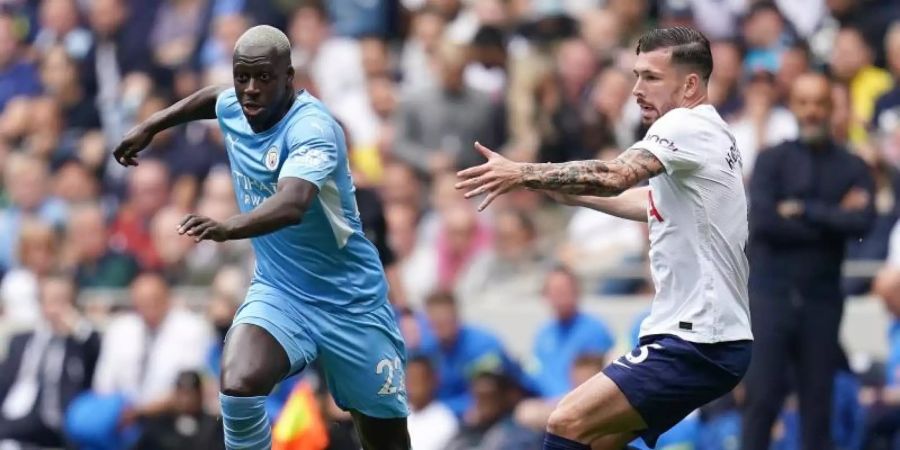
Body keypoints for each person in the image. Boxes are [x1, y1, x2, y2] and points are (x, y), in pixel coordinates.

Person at [112, 25, 410, 450]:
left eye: (264, 78)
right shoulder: (237, 101)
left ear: (289, 77)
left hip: (349, 302)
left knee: (387, 442)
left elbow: (292, 204)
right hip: (280, 291)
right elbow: (213, 98)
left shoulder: (313, 128)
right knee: (237, 384)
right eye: (242, 76)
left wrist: (228, 226)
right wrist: (152, 125)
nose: (249, 90)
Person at [455, 27, 753, 450]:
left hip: (697, 340)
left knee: (565, 421)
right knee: (595, 441)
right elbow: (651, 202)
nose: (636, 89)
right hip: (712, 340)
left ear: (689, 84)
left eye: (651, 77)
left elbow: (615, 175)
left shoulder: (686, 126)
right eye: (636, 75)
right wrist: (575, 197)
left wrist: (522, 171)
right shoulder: (708, 134)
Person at [741, 73, 875, 450]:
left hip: (822, 300)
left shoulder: (851, 165)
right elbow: (764, 222)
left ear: (832, 109)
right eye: (804, 102)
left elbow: (862, 223)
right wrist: (831, 216)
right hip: (771, 298)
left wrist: (802, 211)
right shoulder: (771, 160)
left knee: (819, 405)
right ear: (793, 107)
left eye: (819, 103)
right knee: (761, 398)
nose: (812, 111)